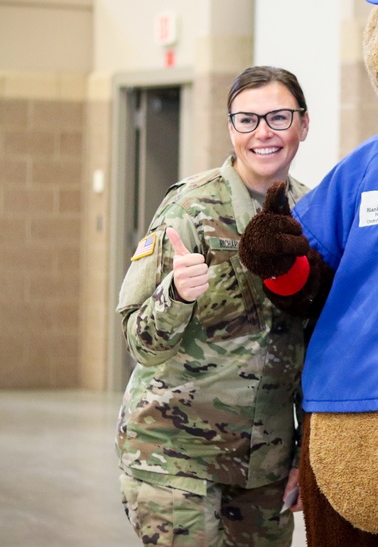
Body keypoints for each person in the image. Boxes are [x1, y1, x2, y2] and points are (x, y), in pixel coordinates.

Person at [115, 65, 311, 547]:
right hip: (175, 455)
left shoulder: (313, 215)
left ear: (304, 124)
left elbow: (321, 346)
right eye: (247, 120)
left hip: (265, 466)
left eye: (279, 117)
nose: (263, 133)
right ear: (231, 128)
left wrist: (307, 454)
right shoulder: (190, 207)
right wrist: (176, 294)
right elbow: (139, 341)